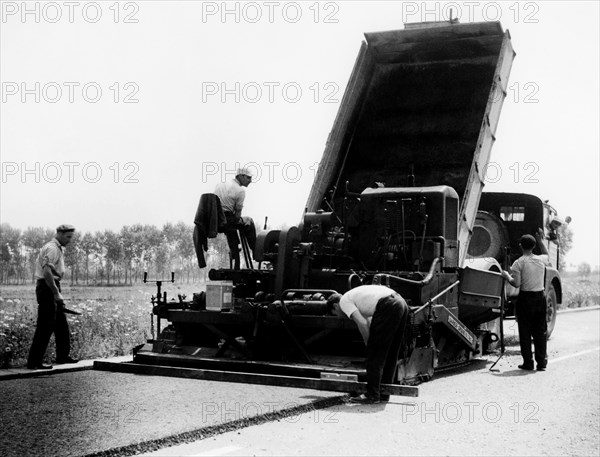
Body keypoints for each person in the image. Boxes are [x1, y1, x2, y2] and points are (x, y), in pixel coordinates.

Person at [327, 285, 409, 404]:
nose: (339, 317)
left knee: (374, 353)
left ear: (335, 306)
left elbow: (362, 324)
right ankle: (384, 393)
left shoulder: (344, 301)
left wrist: (369, 345)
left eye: (335, 314)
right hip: (401, 303)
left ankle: (372, 394)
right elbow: (370, 322)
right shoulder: (358, 298)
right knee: (391, 353)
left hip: (387, 305)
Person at [27, 225, 79, 369]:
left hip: (51, 285)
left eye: (71, 237)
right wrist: (56, 293)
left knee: (61, 325)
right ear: (59, 234)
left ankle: (62, 356)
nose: (69, 240)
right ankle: (34, 362)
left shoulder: (56, 248)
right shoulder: (52, 248)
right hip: (47, 287)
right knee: (45, 325)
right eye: (67, 237)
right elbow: (47, 272)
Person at [501, 229, 551, 371]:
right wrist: (541, 240)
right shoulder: (542, 260)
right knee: (540, 331)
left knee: (525, 331)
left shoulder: (519, 263)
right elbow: (547, 254)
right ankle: (542, 363)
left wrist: (506, 276)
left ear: (520, 246)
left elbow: (516, 283)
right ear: (534, 246)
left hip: (526, 299)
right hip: (540, 298)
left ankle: (528, 363)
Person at [214, 167, 256, 269]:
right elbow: (237, 215)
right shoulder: (240, 191)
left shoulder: (220, 185)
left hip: (216, 219)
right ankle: (255, 250)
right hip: (228, 220)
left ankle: (235, 250)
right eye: (248, 178)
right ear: (240, 176)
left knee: (231, 228)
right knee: (249, 221)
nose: (250, 181)